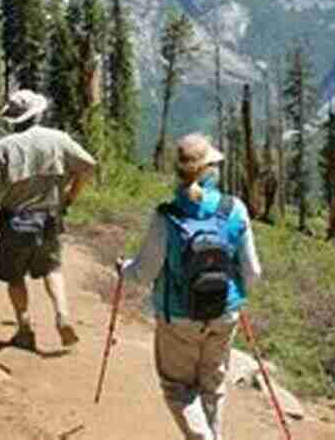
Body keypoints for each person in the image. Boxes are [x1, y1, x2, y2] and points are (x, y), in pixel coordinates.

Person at [117, 134, 262, 440]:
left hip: (178, 319)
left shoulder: (166, 216)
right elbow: (253, 271)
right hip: (225, 313)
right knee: (214, 387)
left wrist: (123, 270)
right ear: (210, 169)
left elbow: (143, 273)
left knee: (177, 388)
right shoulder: (234, 208)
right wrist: (238, 296)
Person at [0, 89, 96, 351]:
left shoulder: (2, 148)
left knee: (14, 275)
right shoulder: (59, 139)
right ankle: (62, 315)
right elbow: (88, 165)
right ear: (38, 114)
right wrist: (70, 195)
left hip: (15, 219)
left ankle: (24, 328)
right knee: (51, 269)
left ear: (13, 119)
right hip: (49, 217)